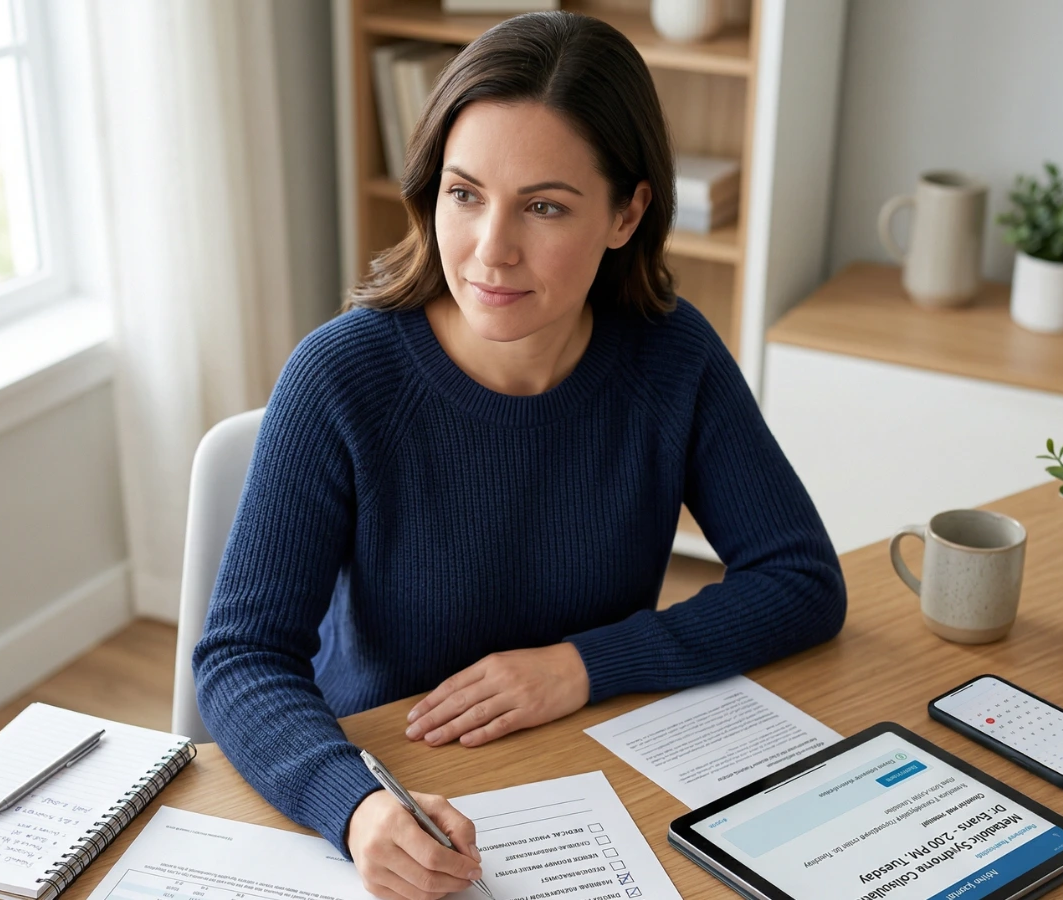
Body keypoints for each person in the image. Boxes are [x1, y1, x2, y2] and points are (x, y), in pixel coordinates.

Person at [194, 10, 846, 900]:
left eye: (543, 206)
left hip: (589, 782)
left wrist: (584, 664)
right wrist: (356, 806)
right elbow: (241, 658)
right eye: (465, 194)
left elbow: (802, 579)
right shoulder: (340, 378)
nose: (490, 251)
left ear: (627, 212)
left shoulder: (672, 356)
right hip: (389, 792)